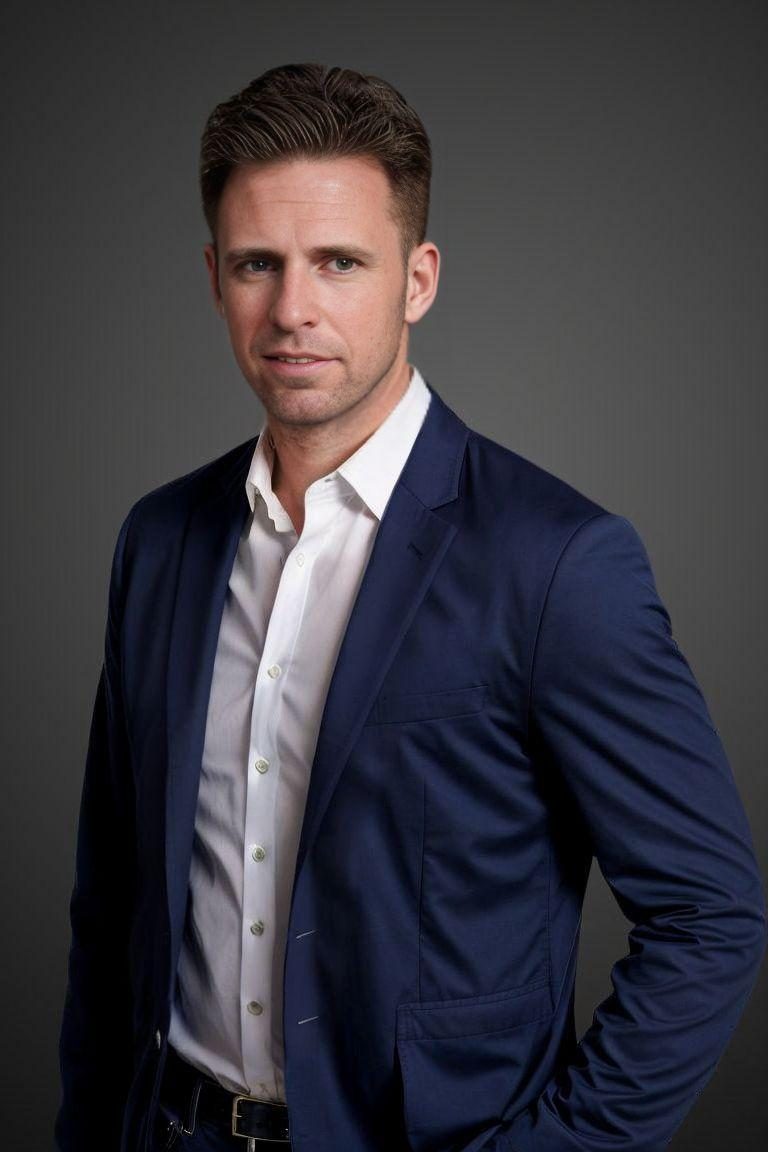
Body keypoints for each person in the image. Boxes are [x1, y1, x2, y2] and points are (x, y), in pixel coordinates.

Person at [55, 63, 765, 1152]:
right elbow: (112, 906)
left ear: (418, 279)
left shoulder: (557, 562)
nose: (293, 308)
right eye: (258, 264)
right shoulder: (160, 541)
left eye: (339, 262)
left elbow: (711, 917)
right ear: (214, 279)